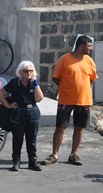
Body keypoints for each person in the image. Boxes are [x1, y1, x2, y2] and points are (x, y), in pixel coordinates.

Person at [42, 35, 99, 166]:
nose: (90, 49)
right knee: (60, 128)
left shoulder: (89, 61)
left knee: (79, 128)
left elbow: (91, 79)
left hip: (84, 100)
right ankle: (54, 154)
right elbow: (56, 78)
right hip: (65, 100)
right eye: (89, 47)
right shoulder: (65, 59)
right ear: (81, 46)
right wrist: (67, 88)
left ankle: (74, 154)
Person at [0, 61, 44, 171]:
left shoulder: (34, 83)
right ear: (20, 72)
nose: (29, 73)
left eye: (31, 71)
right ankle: (16, 162)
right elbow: (0, 94)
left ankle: (33, 161)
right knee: (17, 138)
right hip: (18, 112)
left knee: (32, 139)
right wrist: (8, 105)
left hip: (32, 111)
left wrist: (35, 84)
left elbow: (39, 98)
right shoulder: (14, 83)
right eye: (26, 71)